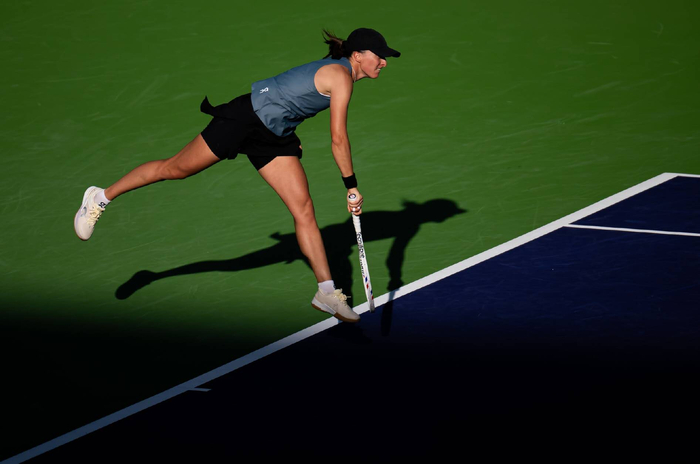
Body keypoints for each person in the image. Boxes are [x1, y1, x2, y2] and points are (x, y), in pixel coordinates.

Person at [73, 28, 400, 323]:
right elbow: (338, 138)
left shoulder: (340, 72)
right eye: (379, 55)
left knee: (303, 209)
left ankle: (326, 291)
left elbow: (292, 95)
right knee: (174, 169)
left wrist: (288, 130)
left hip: (275, 134)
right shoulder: (341, 77)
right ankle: (100, 197)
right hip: (246, 119)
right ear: (358, 55)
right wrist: (351, 186)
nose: (383, 62)